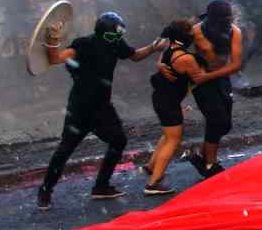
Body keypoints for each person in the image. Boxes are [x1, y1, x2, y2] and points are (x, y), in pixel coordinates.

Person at [37, 11, 166, 208]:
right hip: (80, 108)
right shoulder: (84, 44)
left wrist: (154, 47)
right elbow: (56, 58)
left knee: (118, 141)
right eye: (112, 35)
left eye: (118, 35)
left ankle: (101, 186)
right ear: (102, 32)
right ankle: (45, 190)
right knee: (65, 150)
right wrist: (52, 39)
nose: (115, 39)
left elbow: (135, 55)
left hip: (103, 108)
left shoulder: (115, 43)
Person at [143, 18, 215, 195]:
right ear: (185, 37)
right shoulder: (185, 58)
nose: (193, 34)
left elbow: (161, 61)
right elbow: (199, 78)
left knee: (169, 134)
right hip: (168, 101)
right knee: (174, 140)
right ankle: (153, 183)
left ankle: (152, 166)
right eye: (191, 33)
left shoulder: (169, 47)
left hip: (162, 99)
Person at [178, 0, 243, 179]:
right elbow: (173, 52)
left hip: (220, 78)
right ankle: (210, 164)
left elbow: (236, 64)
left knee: (225, 124)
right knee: (216, 119)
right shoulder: (195, 31)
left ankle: (200, 156)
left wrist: (210, 75)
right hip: (201, 82)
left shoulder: (234, 32)